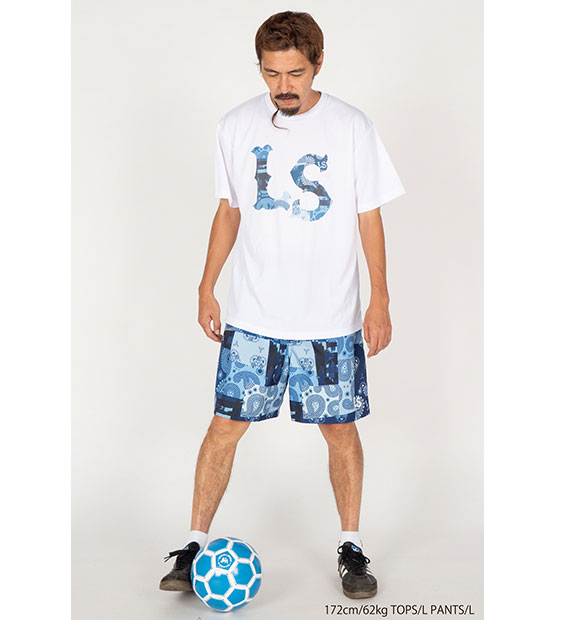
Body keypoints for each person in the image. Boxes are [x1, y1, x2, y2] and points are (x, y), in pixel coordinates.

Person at [159, 10, 406, 600]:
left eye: (295, 73)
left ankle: (350, 546)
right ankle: (192, 544)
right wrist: (205, 285)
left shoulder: (351, 126)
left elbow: (369, 216)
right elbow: (229, 210)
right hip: (254, 317)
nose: (283, 86)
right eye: (271, 73)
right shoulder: (235, 125)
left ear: (317, 64)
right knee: (225, 428)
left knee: (339, 431)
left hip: (329, 318)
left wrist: (380, 298)